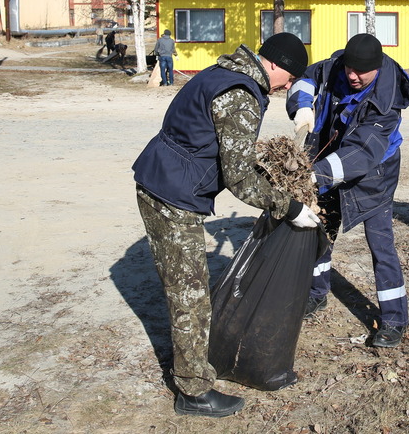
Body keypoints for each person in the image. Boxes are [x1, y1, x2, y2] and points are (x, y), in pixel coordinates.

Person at [131, 32, 320, 418]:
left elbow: (225, 149)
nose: (287, 88)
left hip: (164, 177)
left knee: (189, 287)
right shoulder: (242, 94)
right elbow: (239, 178)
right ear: (277, 67)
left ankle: (194, 371)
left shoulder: (223, 71)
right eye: (290, 79)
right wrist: (289, 206)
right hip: (172, 193)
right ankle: (193, 392)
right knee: (190, 294)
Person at [288, 33, 409, 348]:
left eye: (361, 73)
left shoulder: (386, 101)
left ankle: (395, 320)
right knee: (320, 230)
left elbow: (362, 152)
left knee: (380, 243)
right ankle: (317, 294)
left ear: (377, 68)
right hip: (327, 159)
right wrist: (302, 106)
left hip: (374, 173)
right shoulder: (337, 66)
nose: (353, 77)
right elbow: (306, 78)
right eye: (349, 70)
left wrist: (317, 175)